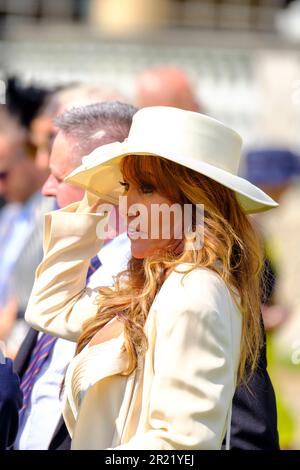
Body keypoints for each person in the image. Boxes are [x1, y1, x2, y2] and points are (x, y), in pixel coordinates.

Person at [25, 106, 278, 450]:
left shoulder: (192, 291)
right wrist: (94, 199)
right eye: (125, 186)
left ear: (194, 201)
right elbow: (49, 309)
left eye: (146, 188)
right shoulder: (153, 283)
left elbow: (179, 445)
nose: (126, 203)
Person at [13, 101, 135, 450]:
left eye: (60, 177)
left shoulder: (152, 277)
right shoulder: (72, 260)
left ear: (105, 185)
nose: (46, 189)